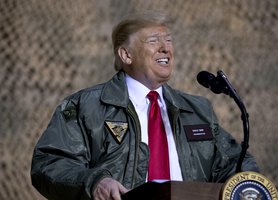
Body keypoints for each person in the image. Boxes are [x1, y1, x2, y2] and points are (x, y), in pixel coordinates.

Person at [31, 11, 259, 200]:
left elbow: (235, 164)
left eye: (168, 40)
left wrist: (249, 186)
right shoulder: (85, 106)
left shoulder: (198, 110)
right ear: (126, 55)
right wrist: (95, 182)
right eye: (153, 41)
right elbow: (49, 164)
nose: (165, 48)